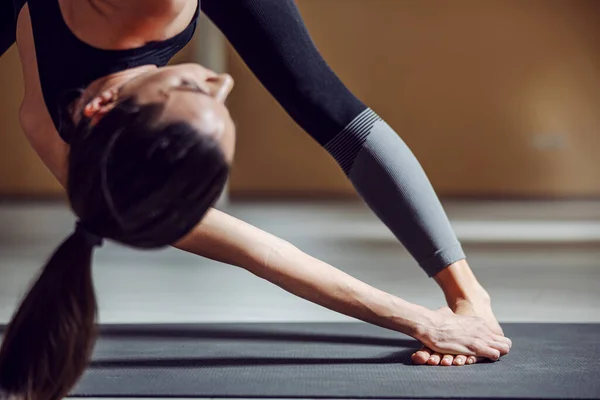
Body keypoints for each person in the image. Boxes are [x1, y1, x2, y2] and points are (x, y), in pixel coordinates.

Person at [0, 0, 511, 398]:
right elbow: (260, 252)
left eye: (198, 93)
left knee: (316, 96)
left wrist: (466, 299)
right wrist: (423, 320)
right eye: (219, 102)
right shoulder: (98, 166)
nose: (223, 82)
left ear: (104, 106)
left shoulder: (143, 17)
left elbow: (265, 243)